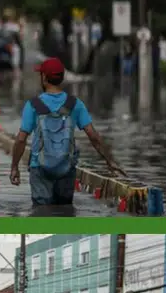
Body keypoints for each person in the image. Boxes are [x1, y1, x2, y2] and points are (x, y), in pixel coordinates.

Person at [9, 58, 126, 206]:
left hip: (39, 169)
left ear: (44, 77)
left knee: (41, 215)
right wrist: (110, 160)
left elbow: (21, 139)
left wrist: (14, 168)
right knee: (64, 212)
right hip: (66, 169)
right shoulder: (75, 104)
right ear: (62, 78)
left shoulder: (33, 105)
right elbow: (93, 136)